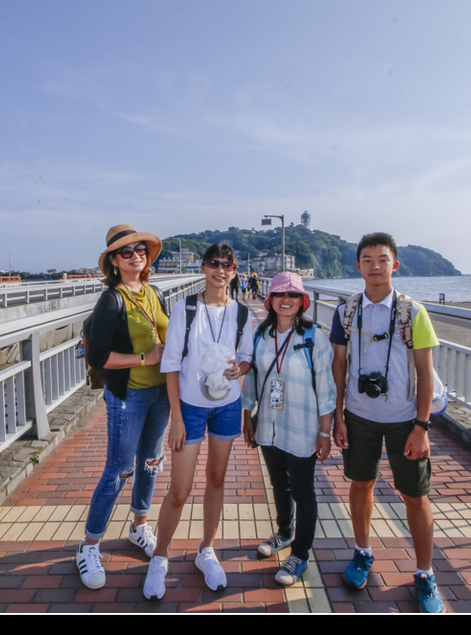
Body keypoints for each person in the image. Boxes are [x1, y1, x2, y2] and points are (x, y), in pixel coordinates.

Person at [330, 233, 445, 613]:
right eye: (367, 260)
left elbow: (425, 373)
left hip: (404, 419)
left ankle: (425, 573)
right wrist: (338, 416)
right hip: (359, 416)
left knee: (415, 495)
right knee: (360, 483)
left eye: (382, 259)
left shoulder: (413, 312)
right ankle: (362, 551)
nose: (375, 266)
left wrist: (422, 427)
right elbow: (339, 366)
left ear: (394, 265)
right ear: (358, 266)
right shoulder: (346, 311)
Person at [143, 244, 254, 600]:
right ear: (203, 268)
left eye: (227, 265)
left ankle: (206, 549)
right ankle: (160, 556)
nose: (220, 270)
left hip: (227, 406)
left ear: (234, 271)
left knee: (217, 479)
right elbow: (171, 364)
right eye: (214, 264)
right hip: (190, 407)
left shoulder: (241, 313)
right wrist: (176, 418)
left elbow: (247, 358)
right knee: (180, 489)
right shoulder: (185, 308)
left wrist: (241, 369)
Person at [78, 224, 171, 590]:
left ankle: (139, 526)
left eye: (140, 249)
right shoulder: (111, 299)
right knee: (118, 471)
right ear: (114, 262)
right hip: (127, 396)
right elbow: (99, 357)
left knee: (151, 462)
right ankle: (89, 545)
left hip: (161, 394)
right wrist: (145, 357)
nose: (136, 256)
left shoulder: (155, 293)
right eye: (127, 252)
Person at [242, 272, 335, 586]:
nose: (286, 300)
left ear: (302, 301)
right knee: (278, 483)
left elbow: (326, 389)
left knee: (303, 491)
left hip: (302, 426)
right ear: (270, 300)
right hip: (269, 424)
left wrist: (325, 432)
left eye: (293, 295)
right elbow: (252, 377)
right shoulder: (261, 334)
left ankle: (300, 553)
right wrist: (247, 416)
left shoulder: (314, 338)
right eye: (280, 294)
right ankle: (284, 532)